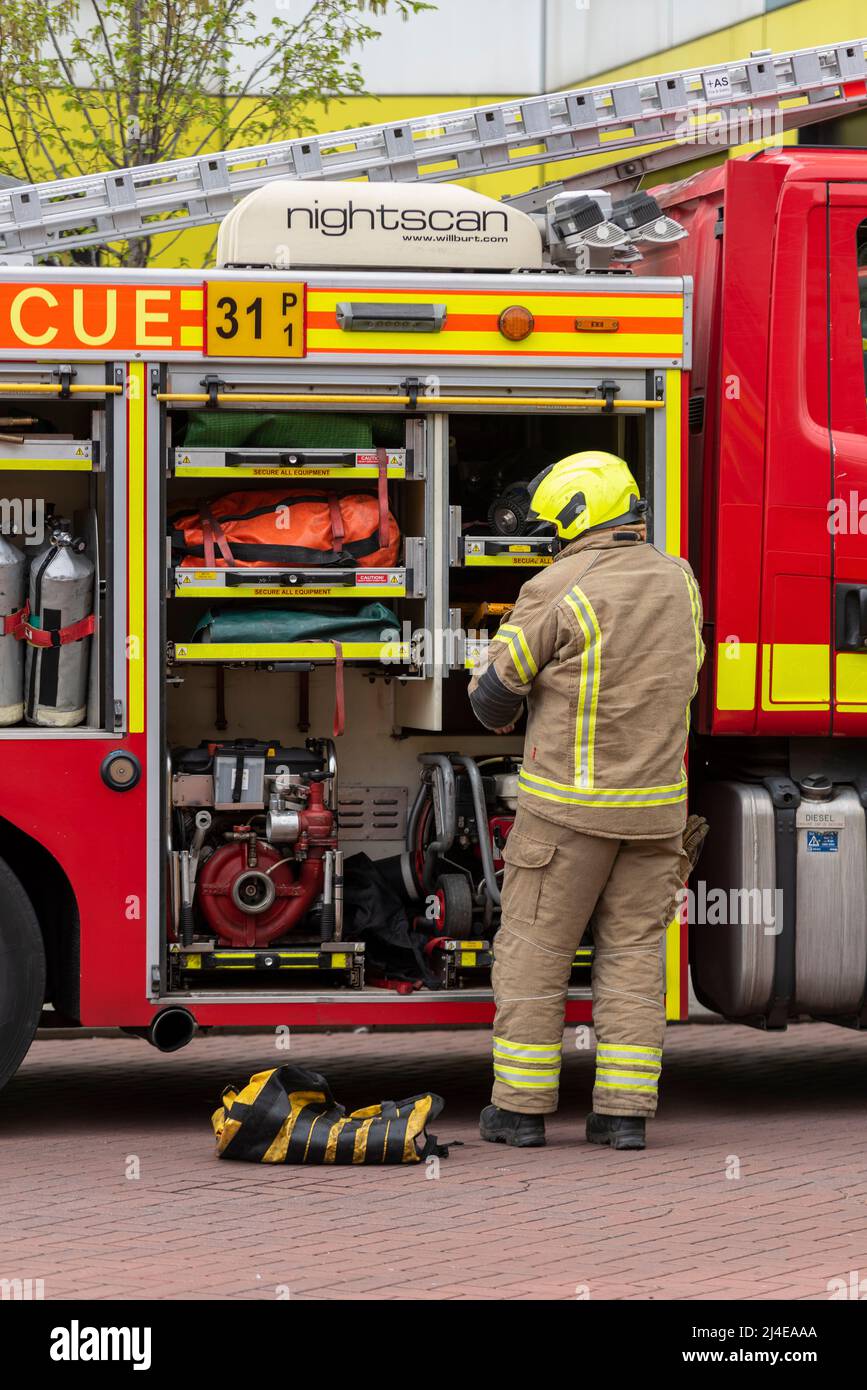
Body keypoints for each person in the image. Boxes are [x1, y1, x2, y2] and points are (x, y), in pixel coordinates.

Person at [468, 452, 704, 1151]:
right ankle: (623, 1115)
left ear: (575, 513)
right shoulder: (679, 581)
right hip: (657, 812)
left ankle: (518, 1110)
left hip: (567, 813)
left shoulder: (557, 585)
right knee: (633, 956)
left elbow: (492, 697)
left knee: (534, 952)